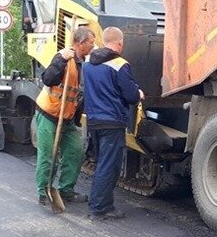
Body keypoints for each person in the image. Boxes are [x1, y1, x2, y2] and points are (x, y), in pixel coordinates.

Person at [82, 27, 143, 220]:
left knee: (102, 164)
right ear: (120, 42)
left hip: (94, 120)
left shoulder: (88, 63)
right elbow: (131, 96)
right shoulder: (119, 64)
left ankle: (102, 204)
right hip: (112, 121)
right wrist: (138, 93)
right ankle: (99, 209)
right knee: (109, 166)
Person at [35, 26, 96, 207]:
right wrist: (61, 60)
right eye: (90, 43)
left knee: (75, 151)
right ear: (79, 43)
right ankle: (44, 191)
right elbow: (48, 79)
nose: (93, 46)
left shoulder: (84, 63)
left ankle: (66, 190)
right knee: (48, 155)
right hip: (49, 113)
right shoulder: (63, 58)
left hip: (67, 118)